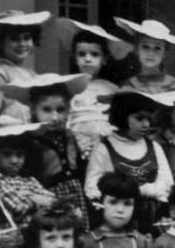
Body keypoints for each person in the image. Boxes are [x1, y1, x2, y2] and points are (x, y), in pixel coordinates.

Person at [1, 73, 92, 231]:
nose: (55, 117)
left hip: (75, 194)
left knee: (77, 232)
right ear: (33, 110)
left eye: (60, 110)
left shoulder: (69, 136)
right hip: (47, 196)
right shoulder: (30, 141)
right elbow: (28, 177)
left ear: (68, 109)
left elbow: (78, 166)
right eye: (47, 110)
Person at [84, 89, 173, 235]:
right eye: (139, 118)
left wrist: (142, 190)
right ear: (123, 116)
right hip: (117, 222)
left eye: (148, 119)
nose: (146, 124)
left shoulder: (154, 147)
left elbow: (167, 185)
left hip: (152, 222)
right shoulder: (104, 148)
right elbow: (91, 189)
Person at [56, 18, 133, 158]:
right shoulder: (70, 86)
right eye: (82, 54)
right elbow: (65, 115)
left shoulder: (111, 88)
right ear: (74, 57)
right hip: (77, 140)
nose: (87, 59)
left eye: (94, 54)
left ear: (104, 59)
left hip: (105, 140)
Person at [0, 10, 50, 120]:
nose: (22, 44)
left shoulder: (31, 73)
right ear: (0, 42)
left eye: (26, 38)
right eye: (15, 38)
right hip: (11, 132)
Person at [114, 17, 175, 93]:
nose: (151, 53)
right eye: (145, 47)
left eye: (157, 48)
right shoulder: (127, 86)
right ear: (137, 49)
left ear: (165, 53)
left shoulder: (174, 85)